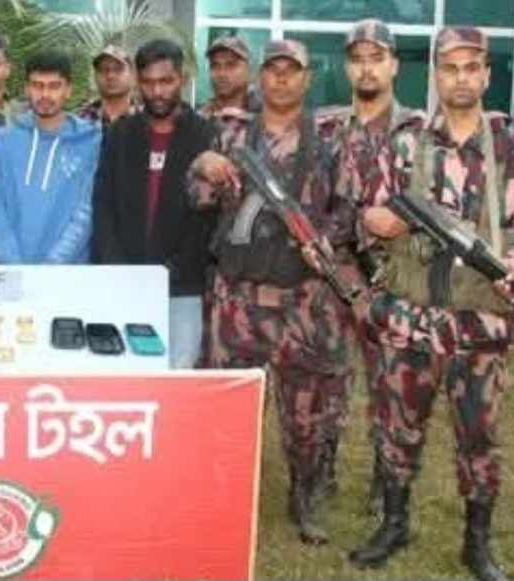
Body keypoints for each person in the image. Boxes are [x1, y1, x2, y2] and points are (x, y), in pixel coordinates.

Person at [347, 27, 514, 581]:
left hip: (480, 328)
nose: (461, 78)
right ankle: (394, 525)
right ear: (436, 76)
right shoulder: (405, 146)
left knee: (479, 440)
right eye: (450, 68)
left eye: (472, 68)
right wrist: (379, 222)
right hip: (409, 323)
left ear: (487, 76)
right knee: (396, 430)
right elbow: (365, 215)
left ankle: (477, 544)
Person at [187, 40, 355, 545]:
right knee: (230, 409)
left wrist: (323, 240)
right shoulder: (232, 134)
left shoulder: (328, 142)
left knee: (304, 415)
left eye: (292, 71)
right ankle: (224, 499)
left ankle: (302, 499)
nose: (281, 79)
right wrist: (202, 168)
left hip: (300, 300)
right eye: (273, 70)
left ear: (307, 78)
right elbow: (196, 200)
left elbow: (348, 209)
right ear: (261, 77)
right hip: (237, 299)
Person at [317, 18, 427, 515]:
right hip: (333, 276)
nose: (367, 69)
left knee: (392, 387)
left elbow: (435, 201)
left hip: (393, 280)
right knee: (328, 380)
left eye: (377, 58)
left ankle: (387, 488)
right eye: (358, 59)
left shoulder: (420, 132)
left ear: (394, 65)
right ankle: (320, 475)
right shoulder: (326, 129)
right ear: (347, 67)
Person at [93, 38, 217, 369]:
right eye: (148, 82)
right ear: (137, 81)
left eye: (166, 81)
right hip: (125, 281)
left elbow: (210, 217)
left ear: (183, 79)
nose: (157, 91)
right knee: (124, 372)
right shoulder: (120, 135)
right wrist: (117, 266)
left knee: (178, 375)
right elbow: (103, 205)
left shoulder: (206, 136)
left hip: (183, 285)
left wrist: (175, 268)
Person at [0, 49, 101, 264]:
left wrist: (53, 265)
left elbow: (86, 212)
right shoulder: (0, 143)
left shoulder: (92, 142)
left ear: (68, 90)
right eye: (37, 85)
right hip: (14, 271)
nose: (45, 95)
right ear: (26, 89)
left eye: (54, 86)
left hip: (70, 272)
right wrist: (15, 267)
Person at [77, 43, 141, 129]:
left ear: (132, 75)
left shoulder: (144, 117)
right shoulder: (83, 118)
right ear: (95, 77)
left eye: (118, 69)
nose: (110, 76)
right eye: (103, 70)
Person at [198, 34, 258, 119]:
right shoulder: (200, 119)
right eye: (215, 65)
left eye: (231, 65)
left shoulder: (265, 116)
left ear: (249, 70)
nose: (222, 73)